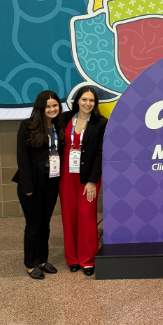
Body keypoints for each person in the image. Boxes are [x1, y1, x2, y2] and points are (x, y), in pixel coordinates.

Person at [12, 90, 64, 280]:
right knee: (33, 225)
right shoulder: (27, 126)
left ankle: (42, 260)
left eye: (55, 105)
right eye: (48, 106)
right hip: (31, 185)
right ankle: (31, 264)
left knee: (46, 225)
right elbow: (22, 158)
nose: (52, 109)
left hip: (51, 183)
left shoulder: (59, 126)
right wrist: (27, 187)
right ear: (40, 108)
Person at [59, 86, 107, 277]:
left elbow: (99, 153)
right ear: (77, 100)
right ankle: (72, 258)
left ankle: (87, 259)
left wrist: (92, 181)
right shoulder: (64, 119)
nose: (88, 103)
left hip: (88, 176)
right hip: (66, 175)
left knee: (86, 216)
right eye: (84, 99)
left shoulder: (100, 123)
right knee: (69, 215)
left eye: (92, 100)